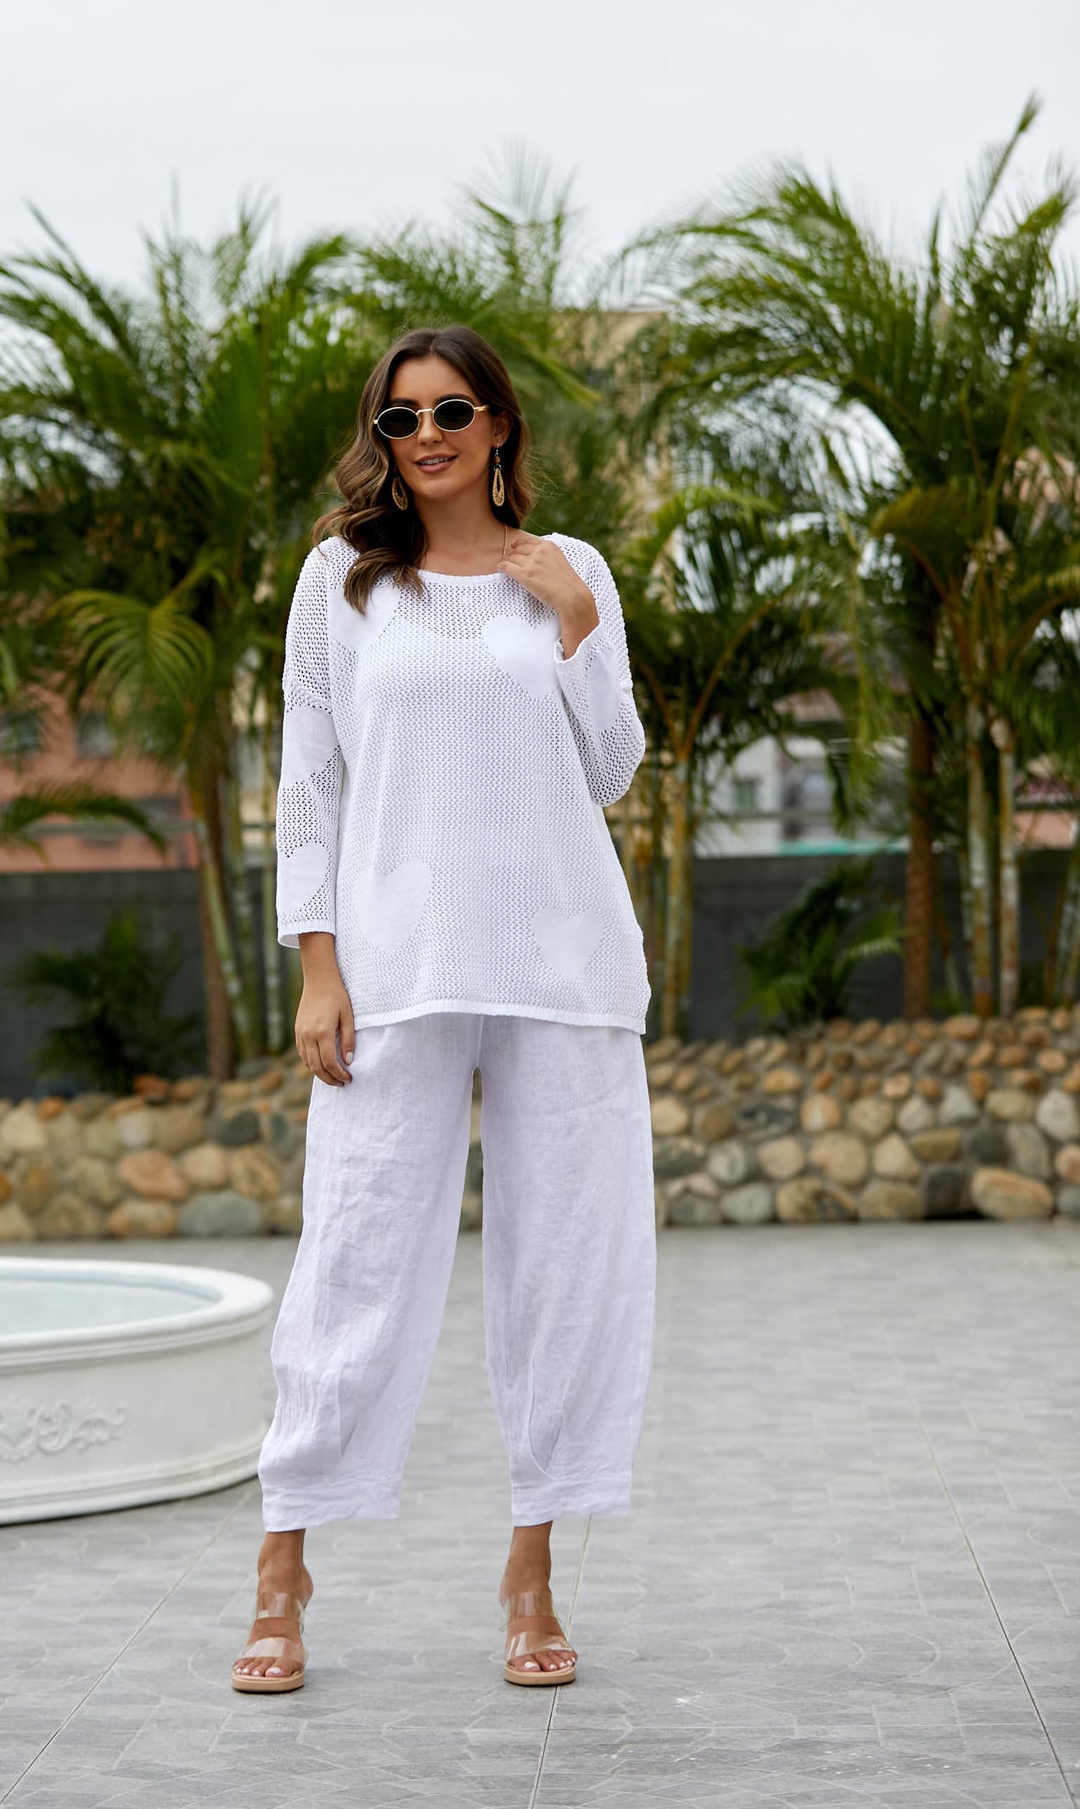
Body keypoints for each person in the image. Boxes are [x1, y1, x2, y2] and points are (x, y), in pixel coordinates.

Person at [231, 324, 657, 1694]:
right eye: (402, 417)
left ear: (499, 426)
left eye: (452, 410)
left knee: (567, 1270)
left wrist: (576, 624)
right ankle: (284, 1563)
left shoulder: (570, 570)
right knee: (354, 1255)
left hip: (563, 965)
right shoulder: (341, 584)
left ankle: (533, 1572)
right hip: (395, 969)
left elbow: (610, 768)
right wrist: (318, 964)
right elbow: (311, 784)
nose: (427, 435)